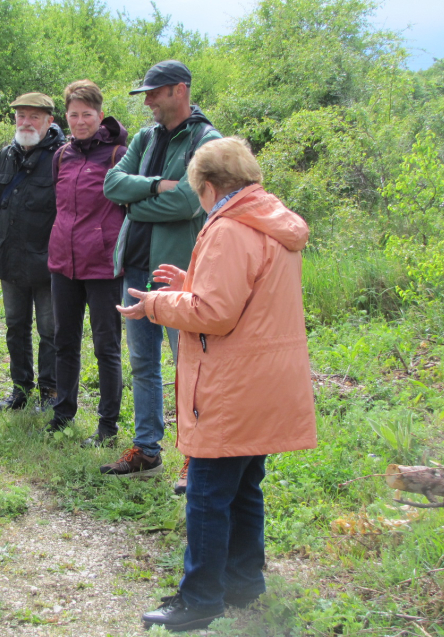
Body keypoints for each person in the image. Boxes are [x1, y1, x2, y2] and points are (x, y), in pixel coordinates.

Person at [118, 137, 317, 631]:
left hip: (233, 384)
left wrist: (157, 305)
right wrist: (192, 280)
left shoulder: (229, 228)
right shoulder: (268, 218)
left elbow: (215, 314)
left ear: (206, 187)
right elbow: (247, 294)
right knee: (246, 484)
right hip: (264, 379)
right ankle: (244, 582)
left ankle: (201, 598)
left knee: (207, 492)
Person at [101, 60, 222, 478]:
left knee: (188, 365)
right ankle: (147, 451)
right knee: (143, 363)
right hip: (135, 269)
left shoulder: (207, 143)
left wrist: (134, 203)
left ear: (180, 91)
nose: (148, 100)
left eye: (155, 92)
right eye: (146, 93)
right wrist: (153, 186)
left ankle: (198, 456)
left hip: (176, 274)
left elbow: (188, 202)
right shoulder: (144, 137)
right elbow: (111, 184)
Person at [47, 80, 127, 442]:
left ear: (100, 113)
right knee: (64, 340)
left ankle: (107, 426)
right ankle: (63, 413)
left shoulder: (118, 154)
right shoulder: (61, 156)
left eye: (87, 114)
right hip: (63, 262)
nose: (80, 121)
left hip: (102, 265)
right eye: (73, 114)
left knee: (105, 347)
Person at [0, 93, 66, 411]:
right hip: (11, 260)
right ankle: (20, 390)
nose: (26, 122)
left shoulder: (62, 156)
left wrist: (54, 255)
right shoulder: (5, 155)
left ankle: (50, 392)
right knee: (15, 326)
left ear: (49, 121)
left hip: (47, 264)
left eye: (34, 116)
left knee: (49, 331)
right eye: (21, 116)